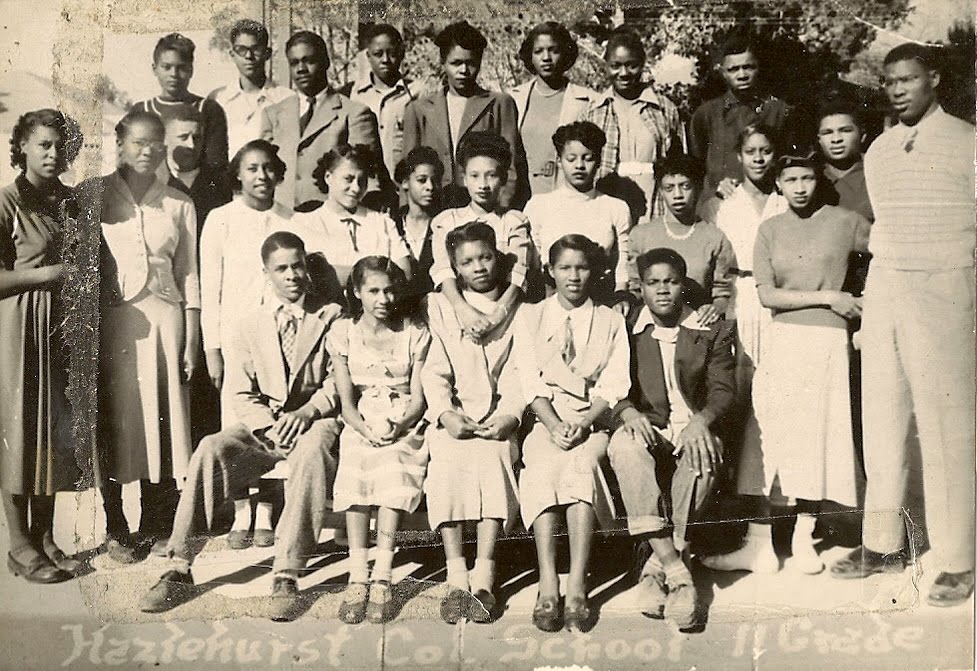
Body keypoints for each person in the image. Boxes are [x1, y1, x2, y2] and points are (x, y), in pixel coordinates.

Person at [830, 44, 976, 608]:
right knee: (883, 413)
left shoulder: (967, 141)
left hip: (946, 283)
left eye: (908, 79)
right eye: (889, 81)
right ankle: (884, 543)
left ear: (933, 79)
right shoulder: (881, 149)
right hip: (888, 283)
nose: (896, 89)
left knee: (947, 423)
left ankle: (958, 558)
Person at [138, 231, 342, 620]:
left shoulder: (331, 316)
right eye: (281, 268)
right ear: (266, 273)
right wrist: (270, 426)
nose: (291, 275)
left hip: (315, 422)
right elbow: (241, 392)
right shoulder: (249, 323)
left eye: (297, 265)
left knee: (314, 451)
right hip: (265, 427)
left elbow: (339, 381)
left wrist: (307, 413)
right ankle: (178, 566)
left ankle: (286, 572)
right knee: (211, 447)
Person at [736, 153, 869, 575]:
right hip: (784, 340)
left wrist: (866, 304)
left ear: (818, 180)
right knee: (773, 435)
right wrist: (830, 296)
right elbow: (768, 295)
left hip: (829, 343)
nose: (799, 187)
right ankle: (761, 546)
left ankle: (804, 537)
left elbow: (889, 252)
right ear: (778, 183)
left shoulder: (845, 221)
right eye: (789, 178)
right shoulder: (770, 230)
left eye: (807, 178)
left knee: (816, 439)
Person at [607, 247, 735, 630]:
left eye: (671, 281)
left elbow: (723, 389)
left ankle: (654, 568)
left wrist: (703, 420)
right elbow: (609, 384)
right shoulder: (625, 326)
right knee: (624, 449)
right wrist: (627, 413)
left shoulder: (710, 327)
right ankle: (679, 572)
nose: (662, 290)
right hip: (647, 424)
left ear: (684, 285)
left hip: (690, 425)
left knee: (703, 454)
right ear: (640, 288)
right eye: (653, 283)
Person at [96, 109, 200, 562]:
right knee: (119, 422)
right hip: (116, 321)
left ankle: (156, 522)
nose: (147, 151)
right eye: (137, 143)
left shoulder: (178, 203)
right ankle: (116, 525)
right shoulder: (95, 197)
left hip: (165, 319)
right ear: (119, 145)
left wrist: (191, 340)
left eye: (155, 143)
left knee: (162, 418)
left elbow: (189, 274)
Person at [422, 221, 532, 625]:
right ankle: (456, 576)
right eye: (467, 262)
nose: (479, 267)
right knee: (445, 460)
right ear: (455, 268)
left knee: (495, 456)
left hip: (498, 418)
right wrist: (446, 414)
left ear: (499, 259)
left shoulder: (519, 309)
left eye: (485, 257)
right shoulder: (442, 307)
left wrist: (510, 415)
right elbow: (433, 371)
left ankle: (485, 575)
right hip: (455, 417)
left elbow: (522, 371)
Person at [519, 235, 630, 633]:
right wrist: (552, 424)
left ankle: (579, 583)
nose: (573, 276)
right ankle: (548, 581)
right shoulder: (530, 317)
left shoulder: (610, 320)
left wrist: (583, 423)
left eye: (581, 267)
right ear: (550, 272)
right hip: (547, 420)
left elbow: (616, 383)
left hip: (593, 421)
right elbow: (528, 381)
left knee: (582, 466)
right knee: (542, 468)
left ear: (595, 272)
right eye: (564, 268)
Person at [697, 124, 787, 573]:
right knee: (736, 413)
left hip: (776, 310)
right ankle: (736, 528)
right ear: (739, 156)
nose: (758, 158)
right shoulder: (723, 205)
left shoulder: (786, 198)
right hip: (735, 305)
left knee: (772, 415)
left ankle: (779, 532)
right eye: (750, 151)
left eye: (766, 151)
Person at [199, 139, 295, 548]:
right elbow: (210, 288)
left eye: (269, 168)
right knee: (236, 426)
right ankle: (241, 511)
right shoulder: (220, 220)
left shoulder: (291, 219)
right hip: (234, 340)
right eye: (252, 168)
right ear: (238, 173)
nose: (261, 176)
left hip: (278, 340)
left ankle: (268, 512)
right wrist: (212, 349)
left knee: (273, 422)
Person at [0, 109, 82, 584]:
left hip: (59, 332)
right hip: (15, 331)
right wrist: (46, 275)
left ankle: (46, 536)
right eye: (43, 145)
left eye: (59, 146)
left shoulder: (71, 202)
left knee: (51, 432)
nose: (53, 154)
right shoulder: (8, 201)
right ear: (24, 147)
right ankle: (18, 545)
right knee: (17, 432)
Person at [329, 257, 431, 625]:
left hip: (404, 421)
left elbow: (419, 400)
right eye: (373, 290)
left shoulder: (414, 332)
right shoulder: (343, 333)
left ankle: (384, 573)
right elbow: (346, 404)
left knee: (392, 475)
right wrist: (364, 428)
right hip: (361, 422)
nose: (383, 299)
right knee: (356, 469)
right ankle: (358, 573)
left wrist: (397, 425)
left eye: (389, 290)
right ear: (357, 293)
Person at [402, 20, 528, 209]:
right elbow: (408, 167)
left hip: (483, 204)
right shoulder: (419, 109)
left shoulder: (499, 103)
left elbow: (510, 165)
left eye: (471, 63)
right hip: (434, 204)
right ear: (443, 63)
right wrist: (408, 211)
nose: (463, 71)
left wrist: (502, 208)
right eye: (456, 63)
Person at [260, 31, 383, 211]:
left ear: (326, 62)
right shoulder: (273, 114)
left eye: (308, 60)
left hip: (332, 222)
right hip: (283, 219)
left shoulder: (354, 113)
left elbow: (369, 180)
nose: (301, 69)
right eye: (294, 63)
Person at [428, 131, 532, 342]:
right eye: (475, 176)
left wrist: (495, 317)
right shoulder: (447, 221)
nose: (483, 185)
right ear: (464, 178)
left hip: (502, 309)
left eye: (491, 175)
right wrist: (465, 312)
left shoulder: (513, 222)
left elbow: (518, 275)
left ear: (503, 178)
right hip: (457, 308)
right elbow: (443, 272)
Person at [523, 121, 632, 308]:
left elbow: (623, 261)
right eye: (571, 158)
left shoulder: (615, 207)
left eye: (587, 158)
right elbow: (533, 261)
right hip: (549, 299)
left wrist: (620, 297)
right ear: (559, 161)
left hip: (600, 299)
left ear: (598, 161)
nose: (579, 166)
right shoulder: (539, 205)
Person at [289, 144, 412, 305]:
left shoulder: (381, 222)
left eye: (362, 181)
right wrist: (379, 275)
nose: (356, 188)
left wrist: (337, 272)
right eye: (348, 179)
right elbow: (314, 279)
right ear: (328, 177)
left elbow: (405, 273)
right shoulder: (304, 223)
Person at [584, 27, 684, 225]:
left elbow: (679, 163)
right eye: (616, 65)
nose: (624, 73)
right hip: (608, 199)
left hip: (655, 201)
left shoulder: (664, 108)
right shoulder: (593, 111)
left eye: (631, 65)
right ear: (606, 65)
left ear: (642, 64)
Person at [628, 154, 734, 323]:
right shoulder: (641, 235)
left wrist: (714, 308)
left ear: (698, 187)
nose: (677, 195)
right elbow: (635, 289)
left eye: (685, 186)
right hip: (652, 327)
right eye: (669, 188)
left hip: (697, 326)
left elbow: (721, 293)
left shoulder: (714, 237)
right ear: (661, 191)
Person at [689, 33, 789, 201]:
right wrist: (715, 186)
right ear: (722, 72)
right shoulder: (706, 114)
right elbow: (695, 164)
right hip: (718, 202)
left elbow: (789, 160)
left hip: (766, 199)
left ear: (759, 67)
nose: (742, 75)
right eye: (733, 69)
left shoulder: (779, 110)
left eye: (748, 67)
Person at [508, 21, 598, 197]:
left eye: (554, 50)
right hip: (521, 195)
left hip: (567, 194)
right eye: (538, 51)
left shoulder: (587, 100)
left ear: (565, 54)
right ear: (530, 56)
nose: (546, 58)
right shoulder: (514, 98)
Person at [344, 24, 434, 191]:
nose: (385, 60)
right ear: (368, 55)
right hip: (363, 189)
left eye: (392, 53)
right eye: (378, 54)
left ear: (401, 54)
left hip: (403, 189)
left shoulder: (417, 92)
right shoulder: (351, 93)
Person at [132, 33, 229, 180]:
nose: (174, 74)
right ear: (154, 69)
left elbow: (216, 166)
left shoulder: (208, 109)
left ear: (191, 70)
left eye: (181, 68)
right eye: (167, 67)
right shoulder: (141, 111)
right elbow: (128, 165)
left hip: (198, 195)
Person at [208, 19, 295, 159]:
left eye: (256, 49)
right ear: (232, 54)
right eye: (241, 50)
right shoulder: (218, 99)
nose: (249, 56)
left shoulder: (285, 99)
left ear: (267, 53)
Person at [162, 108, 233, 238]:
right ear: (164, 139)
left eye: (197, 138)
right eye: (183, 137)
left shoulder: (219, 183)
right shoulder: (151, 181)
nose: (191, 145)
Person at [393, 146, 444, 307]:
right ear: (405, 182)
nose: (430, 187)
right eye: (422, 180)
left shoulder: (444, 223)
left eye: (435, 181)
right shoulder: (391, 224)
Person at [815, 96, 874, 223]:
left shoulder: (876, 175)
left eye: (845, 131)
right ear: (819, 139)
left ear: (862, 136)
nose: (836, 139)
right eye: (827, 132)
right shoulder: (810, 176)